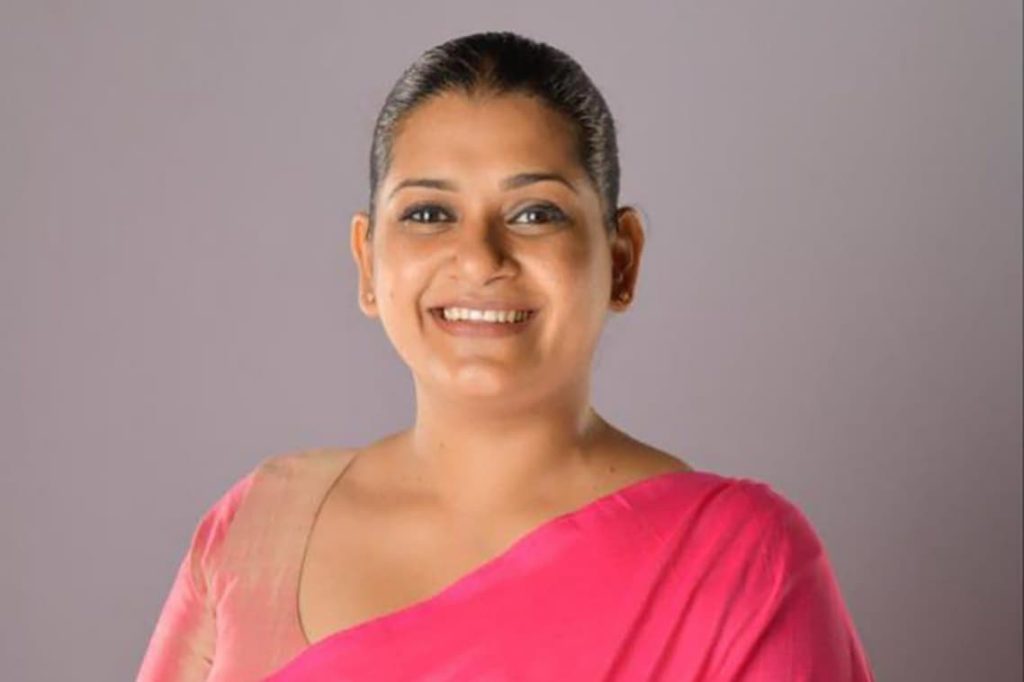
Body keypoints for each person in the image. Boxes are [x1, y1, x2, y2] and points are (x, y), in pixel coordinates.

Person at [136, 31, 875, 681]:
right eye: (429, 213)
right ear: (367, 262)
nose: (479, 257)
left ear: (622, 260)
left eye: (534, 214)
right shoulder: (259, 529)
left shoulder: (741, 565)